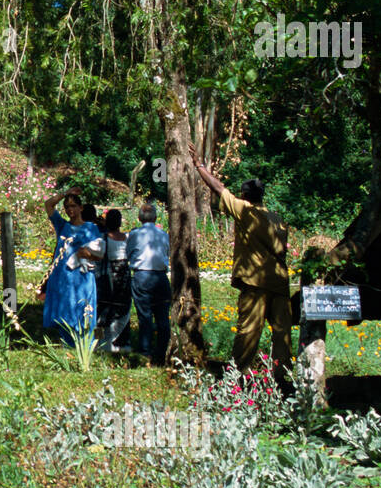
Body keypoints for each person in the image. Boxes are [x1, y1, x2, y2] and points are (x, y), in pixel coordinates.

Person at [190, 144, 293, 388]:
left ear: (245, 196)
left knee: (248, 331)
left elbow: (218, 188)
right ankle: (281, 378)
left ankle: (236, 377)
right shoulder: (276, 218)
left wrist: (199, 165)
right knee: (282, 334)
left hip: (255, 282)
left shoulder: (245, 211)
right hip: (279, 281)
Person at [40, 189, 103, 345]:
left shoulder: (91, 228)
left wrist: (86, 254)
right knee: (65, 315)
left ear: (81, 208)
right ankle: (68, 348)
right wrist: (65, 192)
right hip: (63, 279)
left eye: (73, 206)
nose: (70, 210)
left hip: (82, 279)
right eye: (67, 207)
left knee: (84, 313)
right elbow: (48, 205)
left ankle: (86, 349)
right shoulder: (62, 226)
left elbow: (100, 255)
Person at [125, 202, 171, 365]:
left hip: (141, 275)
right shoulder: (163, 234)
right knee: (163, 317)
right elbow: (168, 253)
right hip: (160, 277)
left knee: (145, 315)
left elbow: (128, 254)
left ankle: (145, 351)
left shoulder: (135, 234)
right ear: (155, 217)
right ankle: (162, 352)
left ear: (139, 217)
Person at [97, 209, 132, 352]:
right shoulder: (128, 238)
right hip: (123, 279)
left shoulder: (101, 239)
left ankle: (98, 342)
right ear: (119, 222)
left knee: (101, 313)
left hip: (106, 279)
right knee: (123, 310)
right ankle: (121, 342)